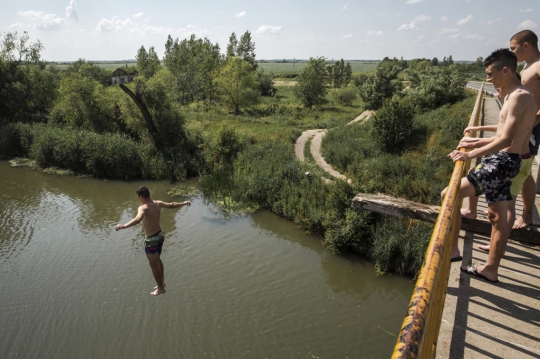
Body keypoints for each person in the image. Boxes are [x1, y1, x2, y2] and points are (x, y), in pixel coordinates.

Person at [441, 48, 537, 283]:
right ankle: (490, 269)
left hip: (502, 162)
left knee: (449, 194)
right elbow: (505, 133)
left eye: (490, 74)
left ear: (505, 70)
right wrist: (475, 139)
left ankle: (452, 249)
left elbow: (506, 140)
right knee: (497, 216)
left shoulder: (518, 97)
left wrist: (470, 154)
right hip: (509, 162)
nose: (488, 79)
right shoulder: (518, 95)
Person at [115, 186, 191, 296]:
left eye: (138, 197)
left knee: (153, 265)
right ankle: (162, 283)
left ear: (141, 197)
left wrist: (123, 226)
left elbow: (138, 219)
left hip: (151, 240)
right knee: (158, 259)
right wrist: (184, 202)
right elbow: (172, 205)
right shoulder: (158, 203)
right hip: (160, 235)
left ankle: (160, 288)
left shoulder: (143, 208)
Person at [509, 29, 540, 229]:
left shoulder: (538, 66)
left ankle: (527, 215)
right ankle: (507, 207)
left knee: (524, 169)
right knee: (519, 166)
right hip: (525, 126)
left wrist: (535, 119)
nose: (512, 53)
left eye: (514, 48)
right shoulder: (529, 66)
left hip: (533, 127)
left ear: (526, 45)